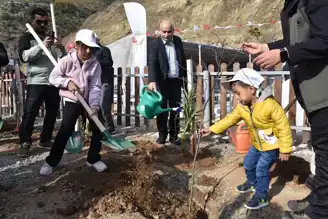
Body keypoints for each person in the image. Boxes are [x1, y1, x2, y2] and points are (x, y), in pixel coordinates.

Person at [241, 1, 328, 218]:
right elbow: (301, 39)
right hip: (315, 91)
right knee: (322, 149)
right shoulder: (294, 4)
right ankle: (320, 200)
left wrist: (284, 54)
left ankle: (320, 211)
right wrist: (268, 47)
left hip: (325, 91)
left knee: (325, 151)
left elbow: (325, 38)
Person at [201, 68, 292, 210]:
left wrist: (285, 149)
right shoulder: (243, 107)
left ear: (251, 89)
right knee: (248, 164)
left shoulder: (270, 105)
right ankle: (252, 183)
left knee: (262, 169)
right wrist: (212, 129)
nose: (236, 97)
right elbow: (229, 119)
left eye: (238, 93)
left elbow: (284, 127)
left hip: (271, 146)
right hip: (256, 144)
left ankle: (262, 196)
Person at [39, 29, 107, 176]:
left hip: (89, 100)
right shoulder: (66, 61)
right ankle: (51, 161)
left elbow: (95, 86)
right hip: (72, 100)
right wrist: (67, 82)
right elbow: (53, 77)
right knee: (65, 130)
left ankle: (93, 158)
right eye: (84, 47)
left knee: (98, 128)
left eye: (91, 48)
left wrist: (94, 105)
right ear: (77, 45)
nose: (88, 51)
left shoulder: (95, 64)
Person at [17, 7, 66, 157]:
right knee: (30, 113)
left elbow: (62, 59)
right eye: (39, 22)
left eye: (46, 22)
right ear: (32, 21)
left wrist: (61, 48)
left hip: (52, 80)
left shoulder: (51, 37)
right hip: (36, 81)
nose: (43, 25)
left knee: (52, 112)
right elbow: (24, 57)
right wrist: (41, 46)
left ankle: (45, 139)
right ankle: (25, 142)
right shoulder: (26, 37)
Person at [148, 20, 187, 145]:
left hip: (176, 81)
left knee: (175, 110)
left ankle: (174, 136)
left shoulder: (178, 41)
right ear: (160, 31)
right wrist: (152, 80)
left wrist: (184, 79)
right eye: (164, 31)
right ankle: (162, 136)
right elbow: (152, 62)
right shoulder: (154, 44)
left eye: (169, 31)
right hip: (162, 82)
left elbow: (182, 60)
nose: (166, 34)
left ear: (173, 31)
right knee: (163, 110)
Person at [93, 34, 115, 133]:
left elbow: (109, 62)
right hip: (93, 81)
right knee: (94, 104)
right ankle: (98, 126)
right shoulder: (89, 51)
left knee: (104, 104)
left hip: (104, 80)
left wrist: (96, 62)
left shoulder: (104, 50)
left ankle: (109, 126)